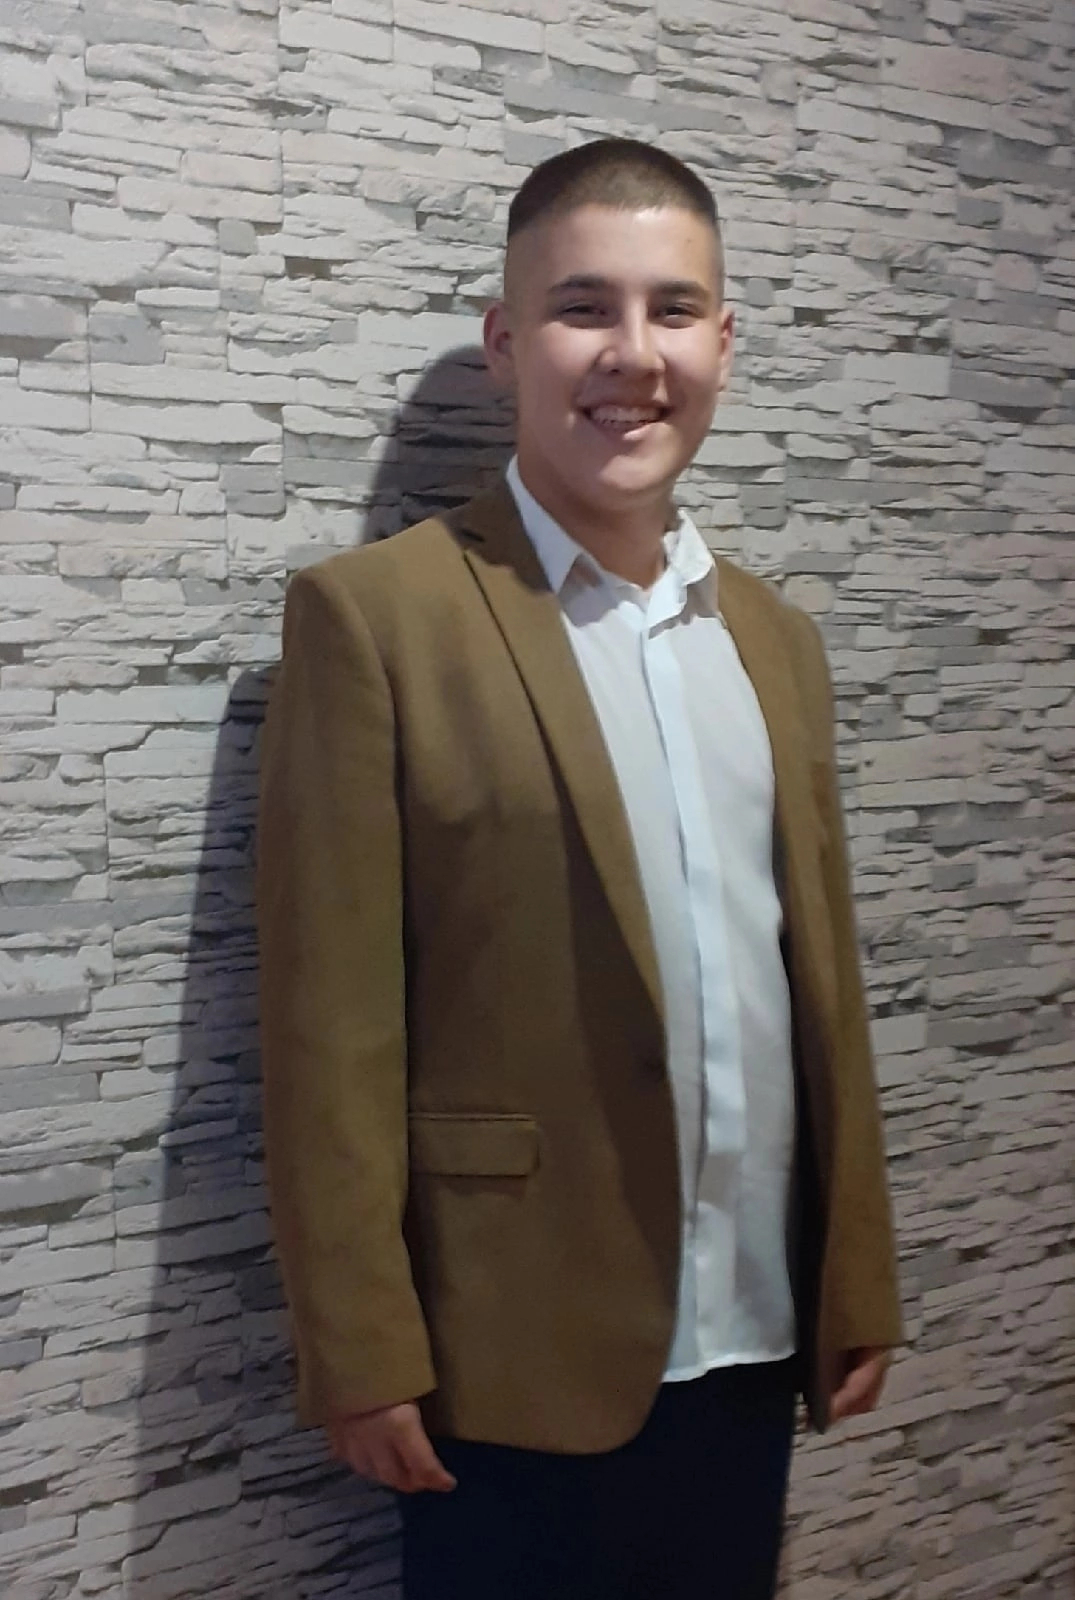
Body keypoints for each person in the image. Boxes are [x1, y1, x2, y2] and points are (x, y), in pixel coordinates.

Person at [256, 137, 902, 1600]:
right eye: (582, 307)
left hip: (753, 1329)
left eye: (674, 309)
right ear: (506, 341)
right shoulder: (377, 622)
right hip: (506, 1350)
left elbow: (820, 984)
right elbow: (326, 1026)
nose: (634, 354)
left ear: (725, 344)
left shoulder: (777, 641)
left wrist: (853, 1271)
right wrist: (358, 1344)